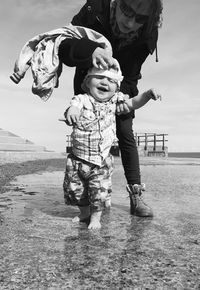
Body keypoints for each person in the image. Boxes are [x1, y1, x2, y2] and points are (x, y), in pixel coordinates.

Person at [58, 0, 163, 217]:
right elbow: (64, 46)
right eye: (127, 11)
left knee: (125, 131)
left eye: (140, 19)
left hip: (121, 85)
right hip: (90, 80)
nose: (131, 22)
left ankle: (136, 194)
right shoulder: (94, 9)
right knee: (85, 132)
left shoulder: (148, 31)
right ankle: (86, 194)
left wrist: (124, 95)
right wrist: (90, 51)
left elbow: (133, 72)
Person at [63, 61, 161, 230]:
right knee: (76, 191)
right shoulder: (82, 99)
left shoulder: (115, 102)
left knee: (98, 192)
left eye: (110, 81)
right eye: (99, 77)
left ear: (116, 88)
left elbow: (132, 103)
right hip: (77, 159)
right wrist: (72, 112)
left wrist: (146, 95)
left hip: (100, 160)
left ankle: (95, 217)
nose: (104, 82)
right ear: (87, 82)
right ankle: (84, 213)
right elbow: (74, 107)